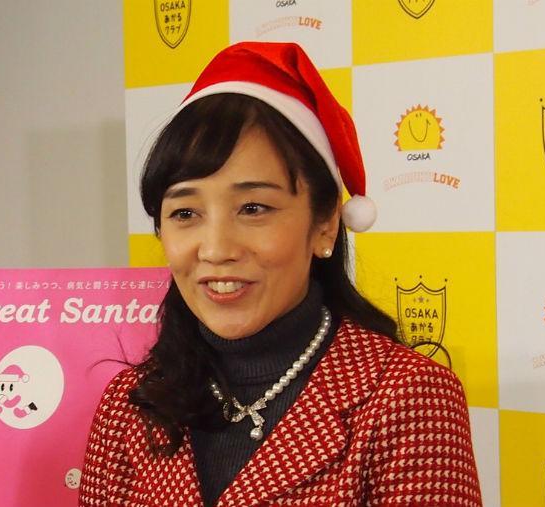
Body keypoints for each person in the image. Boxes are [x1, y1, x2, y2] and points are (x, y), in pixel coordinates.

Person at [79, 42, 482, 506]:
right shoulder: (129, 406)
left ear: (325, 224)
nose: (216, 249)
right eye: (185, 213)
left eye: (253, 208)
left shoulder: (408, 398)